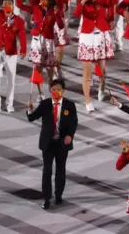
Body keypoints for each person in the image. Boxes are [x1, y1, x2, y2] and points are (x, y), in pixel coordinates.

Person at [26, 79, 78, 209]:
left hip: (62, 144)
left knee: (60, 171)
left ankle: (58, 195)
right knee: (47, 171)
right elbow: (32, 118)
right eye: (53, 89)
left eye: (59, 89)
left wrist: (69, 136)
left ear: (63, 91)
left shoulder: (69, 105)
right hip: (47, 144)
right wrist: (30, 109)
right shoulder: (45, 104)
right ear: (50, 91)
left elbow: (74, 123)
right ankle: (46, 198)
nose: (56, 92)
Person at [16, 0, 64, 101]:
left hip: (48, 42)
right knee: (37, 69)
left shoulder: (53, 12)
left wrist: (58, 15)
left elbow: (61, 25)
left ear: (50, 1)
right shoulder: (36, 9)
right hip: (37, 41)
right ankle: (40, 93)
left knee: (49, 70)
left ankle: (52, 91)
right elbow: (20, 5)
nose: (42, 0)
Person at [74, 0, 115, 112]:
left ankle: (102, 87)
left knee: (102, 70)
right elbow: (76, 13)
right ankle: (87, 101)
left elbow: (113, 1)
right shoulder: (85, 1)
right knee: (87, 73)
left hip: (101, 36)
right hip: (87, 38)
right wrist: (83, 1)